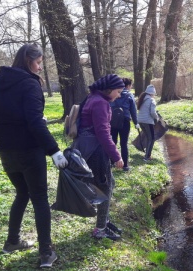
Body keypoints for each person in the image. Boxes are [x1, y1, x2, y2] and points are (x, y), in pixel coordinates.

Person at [0, 43, 67, 268]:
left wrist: (34, 119)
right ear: (28, 60)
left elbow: (6, 114)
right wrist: (54, 150)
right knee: (40, 198)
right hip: (27, 148)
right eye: (39, 62)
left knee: (22, 192)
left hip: (5, 148)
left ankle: (12, 242)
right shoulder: (29, 84)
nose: (40, 68)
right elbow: (33, 121)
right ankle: (46, 253)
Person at [72, 74, 125, 240]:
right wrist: (117, 156)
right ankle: (100, 229)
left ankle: (105, 219)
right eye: (118, 91)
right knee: (105, 189)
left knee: (109, 184)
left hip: (86, 148)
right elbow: (103, 133)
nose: (119, 95)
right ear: (109, 89)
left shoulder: (93, 97)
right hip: (95, 151)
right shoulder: (101, 103)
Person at [109, 78, 140, 171]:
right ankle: (125, 166)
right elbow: (133, 111)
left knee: (112, 142)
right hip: (125, 122)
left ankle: (111, 163)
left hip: (112, 121)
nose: (131, 87)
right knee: (124, 143)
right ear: (128, 85)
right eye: (131, 85)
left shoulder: (113, 94)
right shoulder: (129, 95)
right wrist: (136, 123)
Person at [137, 85, 159, 161]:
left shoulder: (142, 99)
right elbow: (153, 112)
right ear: (153, 93)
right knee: (151, 138)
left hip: (140, 121)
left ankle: (147, 154)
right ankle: (147, 157)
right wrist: (157, 118)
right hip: (148, 121)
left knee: (148, 137)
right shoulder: (151, 100)